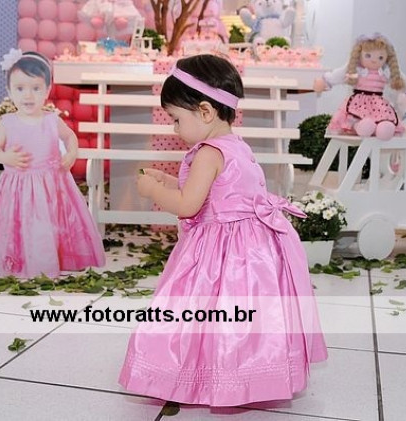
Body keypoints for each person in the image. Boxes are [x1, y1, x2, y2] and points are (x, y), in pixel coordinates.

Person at [119, 54, 328, 407]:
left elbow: (188, 205)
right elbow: (215, 193)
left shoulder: (208, 153)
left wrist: (153, 191)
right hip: (251, 249)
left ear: (204, 111)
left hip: (222, 251)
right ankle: (246, 374)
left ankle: (198, 375)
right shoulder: (237, 145)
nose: (174, 129)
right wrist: (169, 180)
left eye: (176, 119)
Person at [0, 49, 106, 279]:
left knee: (47, 226)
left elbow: (70, 136)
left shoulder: (51, 120)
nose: (28, 96)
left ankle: (47, 262)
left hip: (51, 186)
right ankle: (20, 262)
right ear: (9, 91)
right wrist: (5, 157)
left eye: (36, 88)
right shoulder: (8, 122)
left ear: (47, 90)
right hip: (18, 187)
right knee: (20, 226)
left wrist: (72, 153)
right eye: (20, 88)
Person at [313, 33, 406, 140]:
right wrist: (325, 82)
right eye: (368, 56)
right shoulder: (357, 69)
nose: (374, 60)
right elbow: (339, 74)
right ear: (360, 54)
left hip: (378, 104)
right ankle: (357, 126)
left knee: (384, 122)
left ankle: (382, 128)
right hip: (358, 102)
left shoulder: (385, 71)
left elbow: (401, 78)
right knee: (360, 121)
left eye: (380, 57)